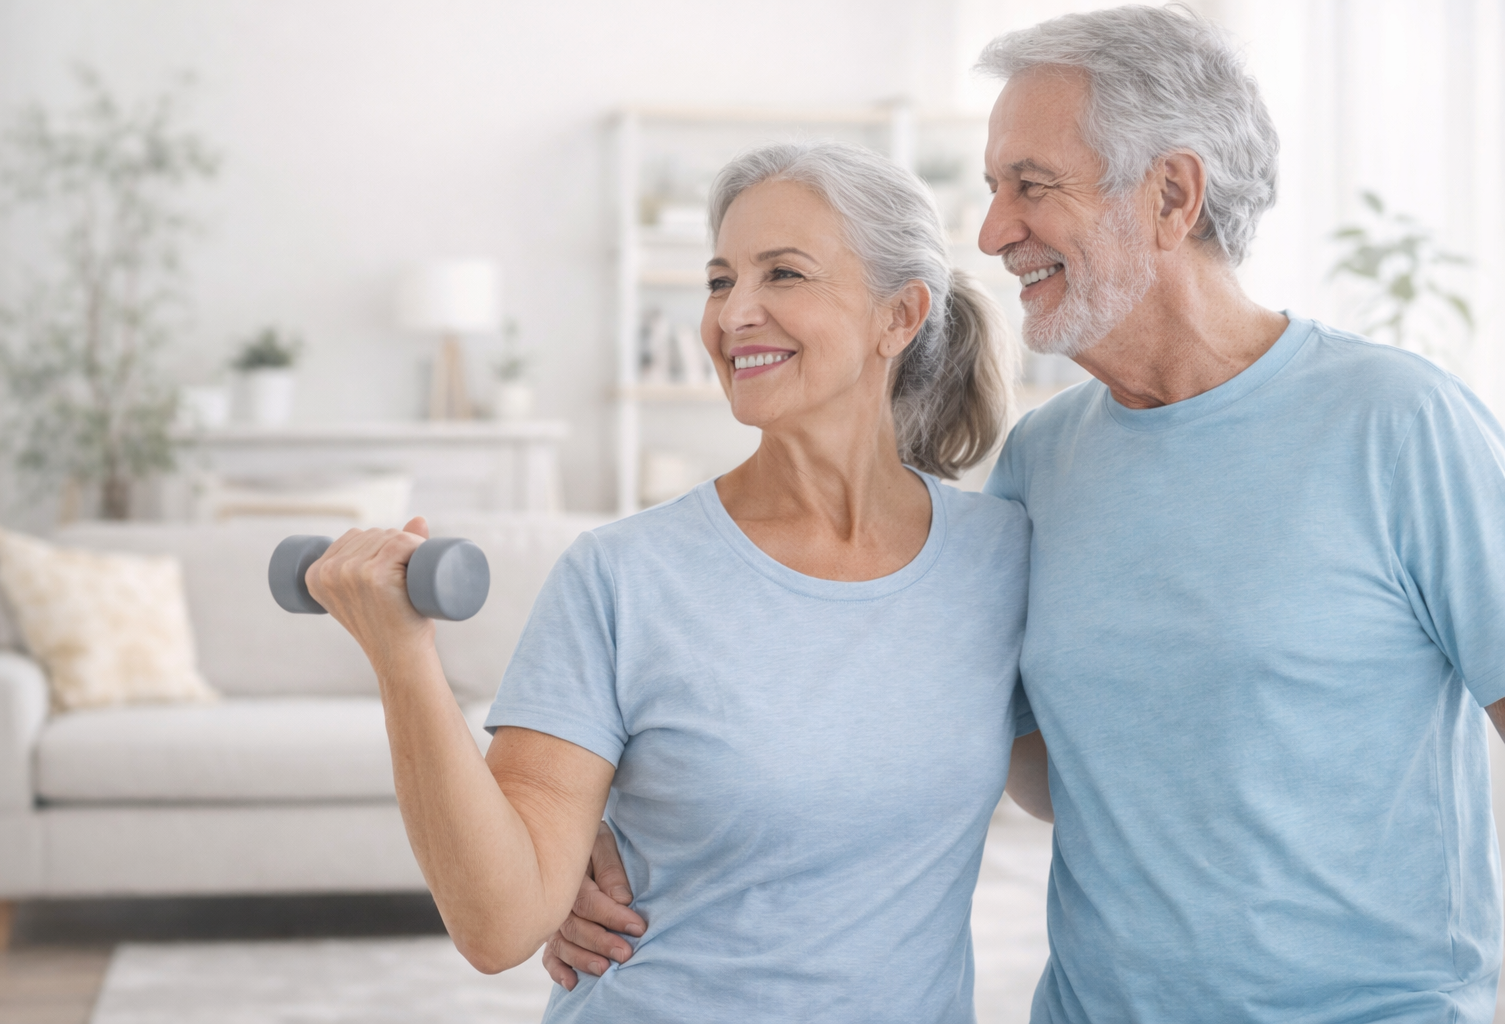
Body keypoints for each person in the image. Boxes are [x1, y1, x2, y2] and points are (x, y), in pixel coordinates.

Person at [549, 7, 1505, 1023]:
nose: (992, 232)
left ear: (1173, 193)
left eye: (1030, 186)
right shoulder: (1044, 464)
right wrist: (588, 826)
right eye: (995, 187)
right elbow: (908, 712)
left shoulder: (1399, 424)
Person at [307, 141, 1041, 1023]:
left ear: (901, 316)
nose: (736, 314)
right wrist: (401, 657)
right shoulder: (622, 576)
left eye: (784, 275)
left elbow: (1099, 783)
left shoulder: (1000, 558)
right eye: (720, 279)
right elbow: (499, 924)